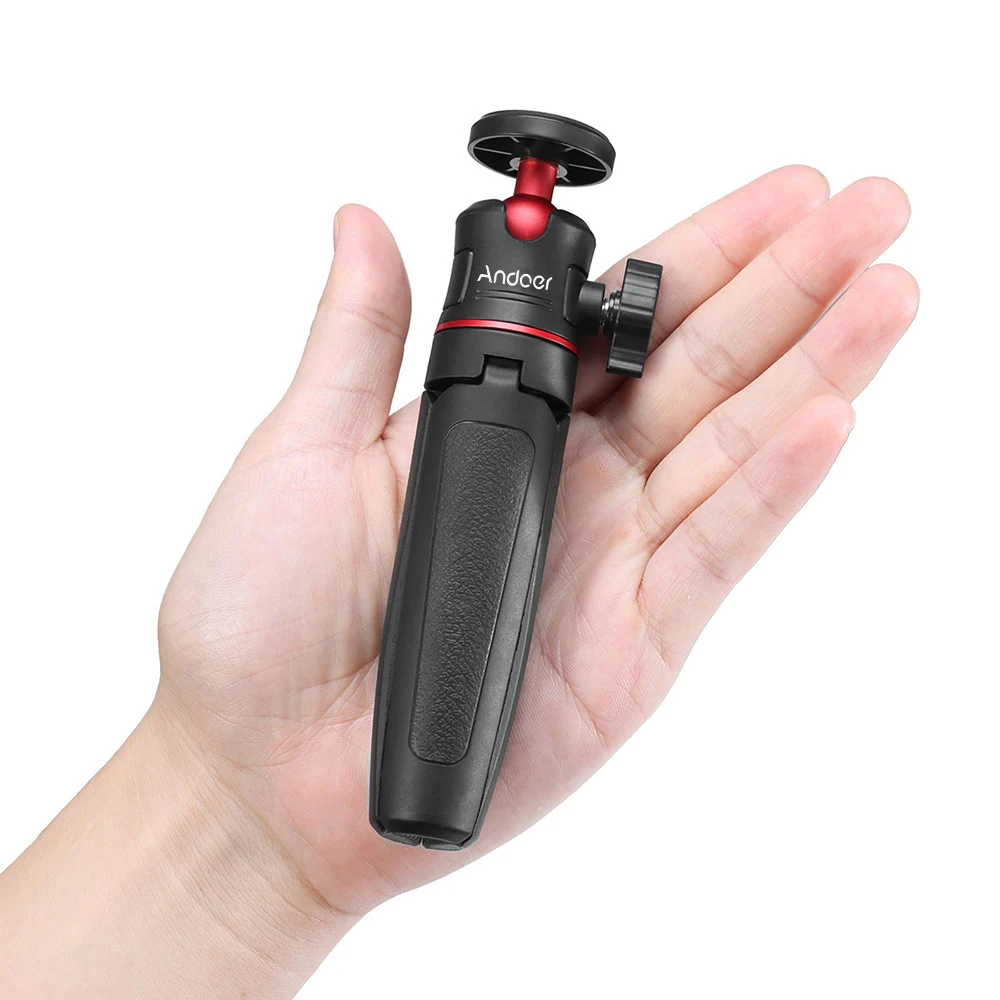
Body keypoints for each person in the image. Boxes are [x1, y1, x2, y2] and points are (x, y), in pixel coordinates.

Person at [0, 166, 916, 998]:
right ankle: (413, 802)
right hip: (495, 409)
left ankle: (414, 802)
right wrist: (238, 804)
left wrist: (251, 841)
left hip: (499, 404)